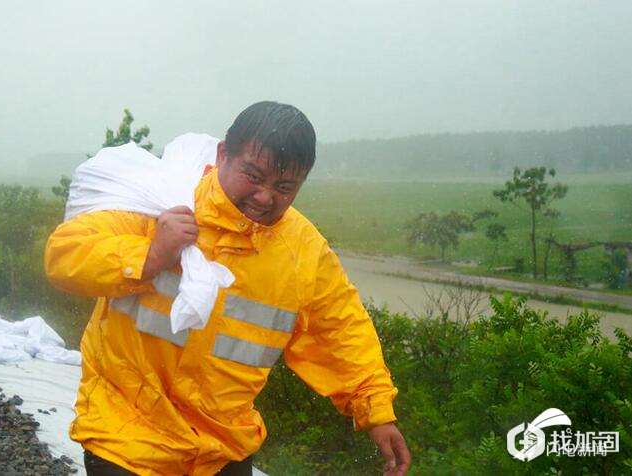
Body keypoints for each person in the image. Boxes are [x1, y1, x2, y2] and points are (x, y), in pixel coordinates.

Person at [45, 101, 411, 475]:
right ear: (223, 154)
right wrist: (151, 255)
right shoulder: (163, 201)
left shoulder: (304, 252)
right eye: (253, 175)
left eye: (284, 187)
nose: (265, 196)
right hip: (125, 433)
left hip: (222, 446)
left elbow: (340, 329)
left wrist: (376, 410)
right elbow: (65, 257)